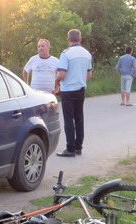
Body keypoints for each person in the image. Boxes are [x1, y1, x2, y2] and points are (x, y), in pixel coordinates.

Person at [53, 29, 93, 157]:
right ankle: (78, 147)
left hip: (68, 91)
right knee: (79, 118)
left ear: (68, 39)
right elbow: (89, 75)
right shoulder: (87, 54)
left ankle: (70, 149)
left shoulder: (66, 54)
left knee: (69, 120)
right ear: (80, 39)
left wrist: (57, 81)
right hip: (81, 89)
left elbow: (62, 74)